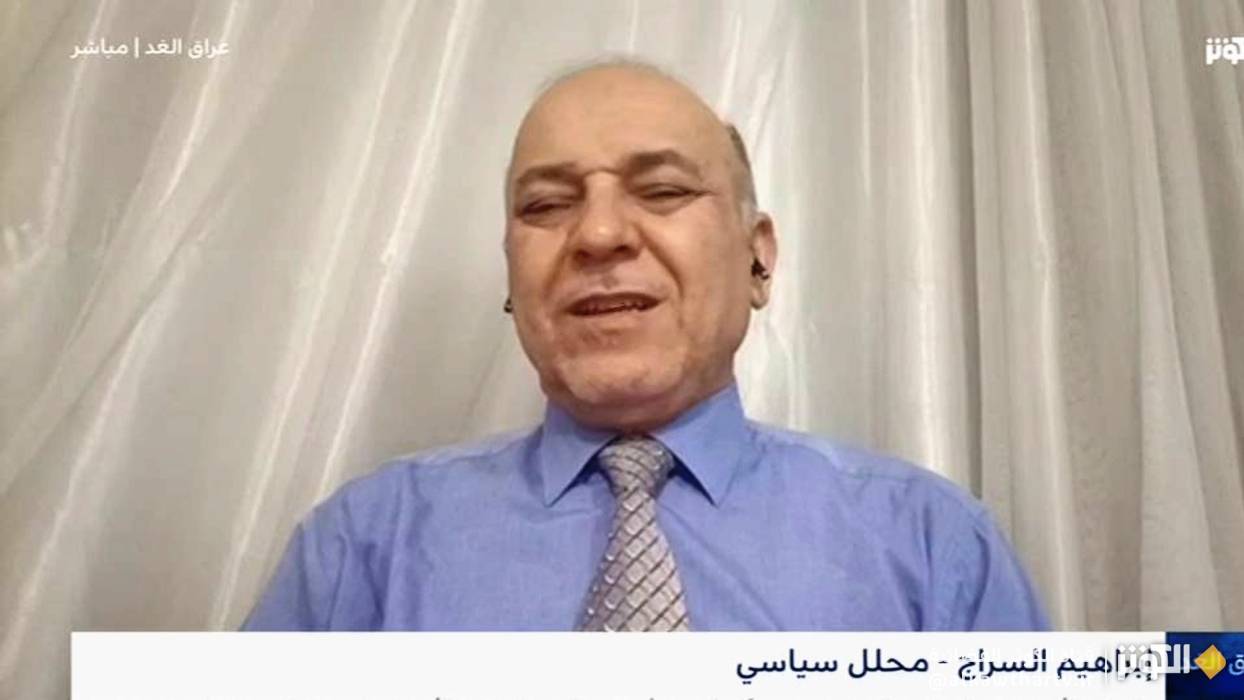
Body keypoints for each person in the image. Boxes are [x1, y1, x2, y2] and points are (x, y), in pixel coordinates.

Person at [242, 60, 1049, 632]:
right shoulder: (360, 554)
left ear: (759, 258)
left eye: (662, 190)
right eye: (546, 205)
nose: (597, 234)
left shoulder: (933, 551)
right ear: (513, 273)